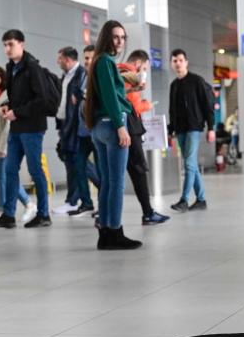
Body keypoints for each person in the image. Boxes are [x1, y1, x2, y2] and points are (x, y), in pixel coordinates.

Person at [0, 29, 52, 229]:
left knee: (35, 170)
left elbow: (42, 99)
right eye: (5, 45)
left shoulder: (32, 67)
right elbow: (17, 97)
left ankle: (43, 214)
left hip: (32, 127)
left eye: (11, 44)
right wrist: (9, 107)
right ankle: (8, 214)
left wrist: (18, 112)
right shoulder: (11, 67)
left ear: (21, 44)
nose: (7, 49)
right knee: (9, 169)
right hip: (16, 127)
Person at [85, 21, 141, 250]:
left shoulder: (99, 62)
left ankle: (106, 233)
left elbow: (109, 92)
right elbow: (109, 95)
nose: (119, 41)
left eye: (122, 37)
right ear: (106, 37)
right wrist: (120, 125)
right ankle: (115, 232)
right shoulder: (106, 61)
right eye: (115, 36)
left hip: (99, 126)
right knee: (116, 182)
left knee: (107, 182)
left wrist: (126, 90)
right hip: (112, 124)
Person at [118, 50, 169, 226]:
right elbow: (134, 105)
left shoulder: (115, 71)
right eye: (145, 67)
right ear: (139, 63)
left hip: (113, 128)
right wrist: (148, 104)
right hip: (130, 129)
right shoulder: (129, 75)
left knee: (112, 174)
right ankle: (148, 213)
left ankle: (105, 216)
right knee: (138, 171)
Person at [0, 65, 33, 222]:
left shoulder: (5, 96)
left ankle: (5, 209)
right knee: (2, 178)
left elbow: (7, 125)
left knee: (4, 178)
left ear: (1, 78)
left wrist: (3, 146)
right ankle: (25, 205)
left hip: (5, 143)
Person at [167, 49, 215, 212]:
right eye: (175, 61)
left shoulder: (197, 81)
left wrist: (211, 128)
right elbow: (172, 110)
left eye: (180, 60)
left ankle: (184, 200)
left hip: (194, 128)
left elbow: (207, 106)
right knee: (192, 164)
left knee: (188, 163)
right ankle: (201, 199)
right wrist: (170, 131)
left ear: (186, 62)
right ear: (171, 64)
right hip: (180, 129)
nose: (178, 63)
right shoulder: (173, 85)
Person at [53, 46, 86, 215]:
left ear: (67, 59)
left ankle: (75, 200)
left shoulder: (81, 74)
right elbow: (62, 103)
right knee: (72, 162)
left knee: (79, 163)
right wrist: (59, 125)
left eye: (60, 58)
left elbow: (78, 104)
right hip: (67, 125)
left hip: (76, 126)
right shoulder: (66, 76)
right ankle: (75, 200)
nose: (58, 61)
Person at [69, 44, 98, 218]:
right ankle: (86, 203)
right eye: (85, 57)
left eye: (90, 57)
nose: (87, 61)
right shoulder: (83, 76)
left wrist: (82, 96)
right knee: (78, 164)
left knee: (101, 169)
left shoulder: (99, 76)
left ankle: (105, 204)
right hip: (83, 130)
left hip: (96, 130)